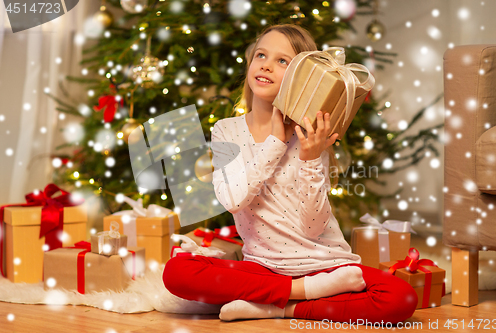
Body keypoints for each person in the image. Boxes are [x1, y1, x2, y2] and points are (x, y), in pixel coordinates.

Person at [163, 23, 418, 323]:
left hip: (324, 265)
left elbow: (312, 227)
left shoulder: (310, 137)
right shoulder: (226, 130)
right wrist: (274, 142)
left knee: (401, 299)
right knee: (177, 272)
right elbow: (233, 199)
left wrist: (310, 157)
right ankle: (301, 292)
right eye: (261, 55)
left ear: (302, 79)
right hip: (263, 267)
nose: (266, 65)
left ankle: (280, 306)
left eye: (282, 61)